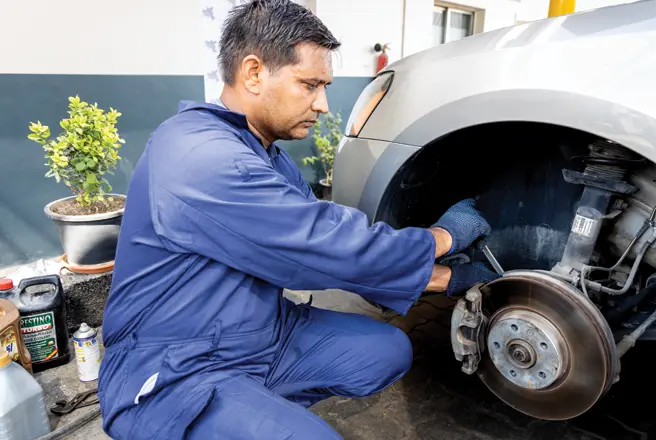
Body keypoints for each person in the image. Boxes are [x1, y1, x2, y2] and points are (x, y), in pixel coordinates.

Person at [97, 1, 499, 438]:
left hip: (262, 334)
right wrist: (442, 238)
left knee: (388, 350)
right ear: (253, 73)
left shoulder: (268, 156)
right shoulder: (196, 153)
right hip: (174, 366)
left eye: (324, 86)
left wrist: (442, 278)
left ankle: (250, 409)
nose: (322, 104)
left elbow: (328, 256)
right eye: (309, 85)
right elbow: (324, 245)